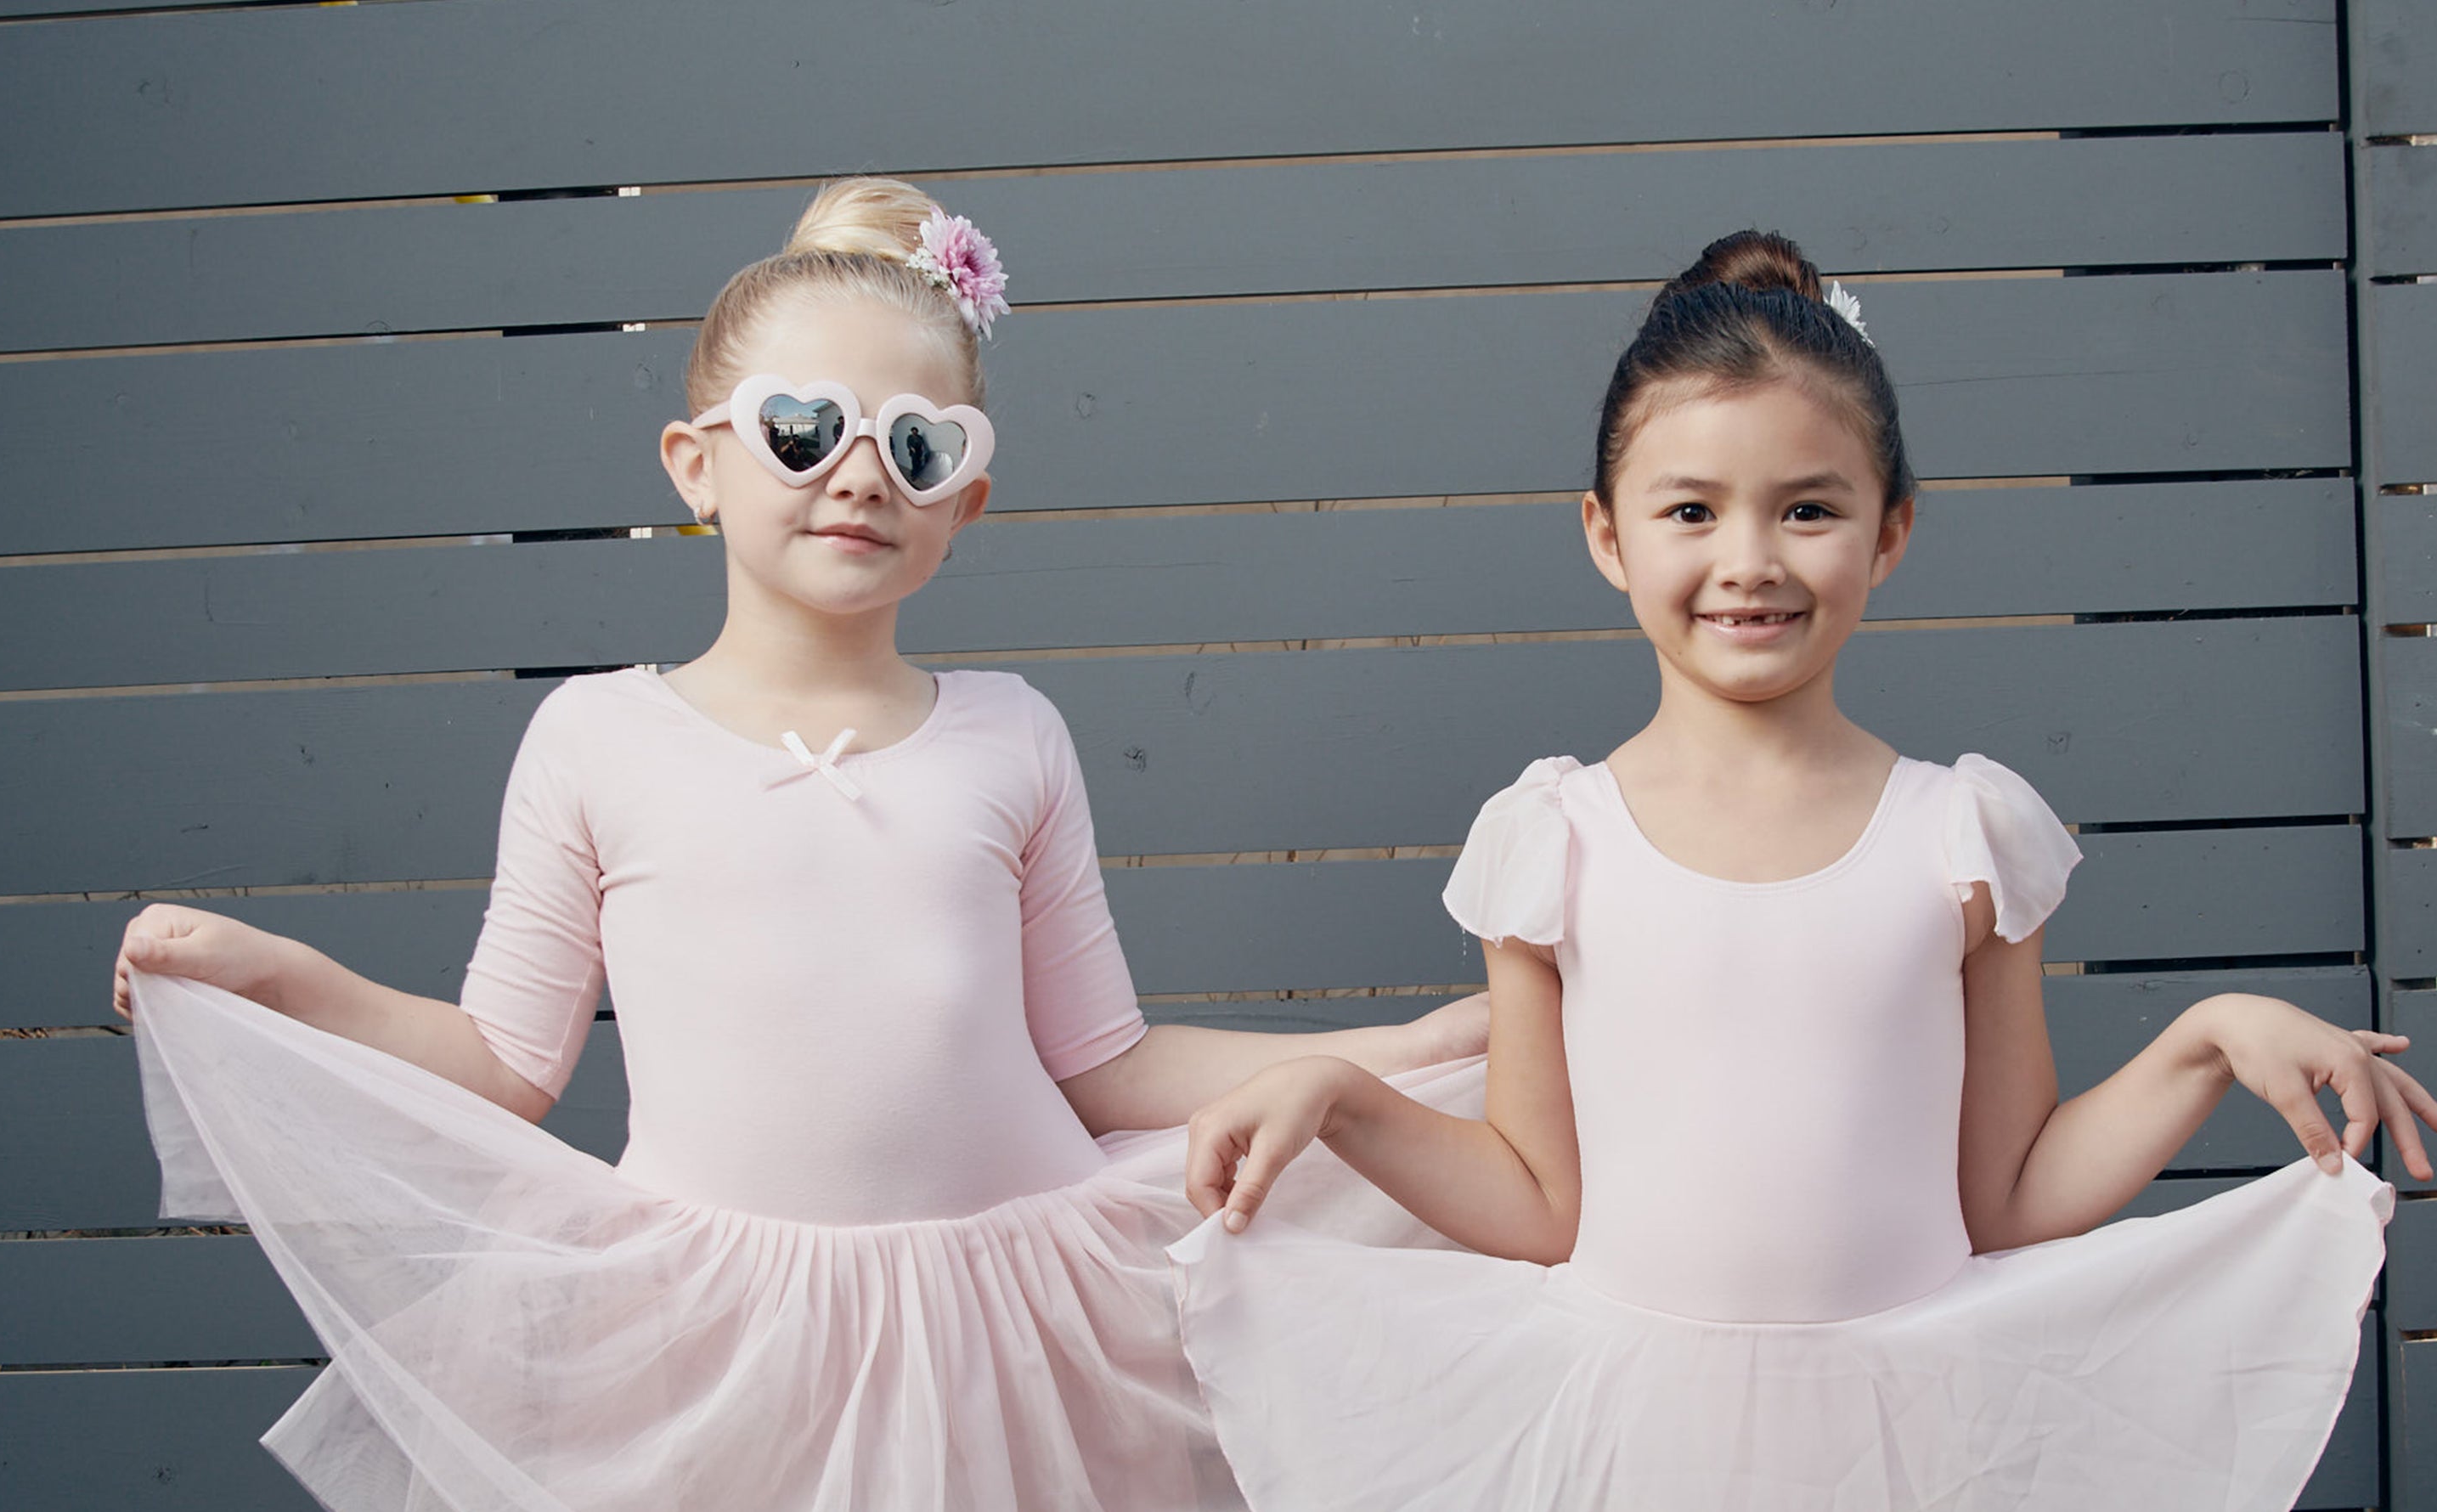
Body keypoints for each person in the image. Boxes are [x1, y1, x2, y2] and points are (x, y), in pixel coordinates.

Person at [114, 178, 1482, 1511]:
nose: (859, 477)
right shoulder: (597, 740)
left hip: (1014, 1326)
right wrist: (273, 974)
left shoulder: (1013, 737)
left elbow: (1107, 1065)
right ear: (695, 463)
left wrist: (1401, 1055)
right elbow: (502, 1063)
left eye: (918, 446)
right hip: (720, 1342)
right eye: (803, 428)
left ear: (967, 503)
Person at [1171, 231, 2437, 1511]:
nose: (1751, 560)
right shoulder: (1553, 839)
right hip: (1638, 1436)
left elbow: (2004, 1199)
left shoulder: (1963, 837)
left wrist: (2208, 1042)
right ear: (1607, 535)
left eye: (1808, 508)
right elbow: (1541, 1203)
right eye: (1691, 510)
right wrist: (1340, 1094)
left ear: (1887, 532)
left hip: (1909, 1441)